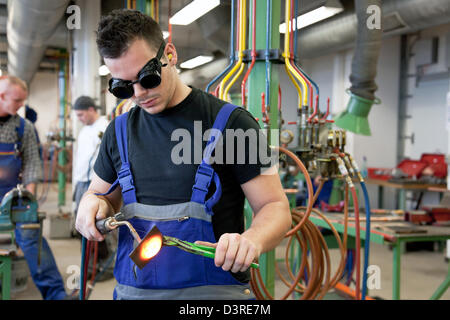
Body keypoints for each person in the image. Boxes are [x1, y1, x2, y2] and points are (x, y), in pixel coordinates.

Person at [76, 9, 292, 300]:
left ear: (170, 54)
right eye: (124, 86)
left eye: (147, 77)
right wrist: (91, 204)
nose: (139, 93)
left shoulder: (233, 124)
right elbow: (101, 196)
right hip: (136, 292)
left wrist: (251, 240)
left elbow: (275, 206)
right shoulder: (119, 131)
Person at [0, 75, 68, 300]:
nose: (22, 106)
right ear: (2, 96)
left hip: (14, 199)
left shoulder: (23, 128)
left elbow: (31, 164)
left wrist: (27, 199)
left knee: (32, 237)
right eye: (18, 100)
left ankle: (56, 294)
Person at [72, 96, 109, 220]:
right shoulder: (84, 130)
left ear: (91, 110)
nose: (79, 119)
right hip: (81, 181)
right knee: (81, 217)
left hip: (95, 183)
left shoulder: (105, 127)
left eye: (81, 115)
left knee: (94, 219)